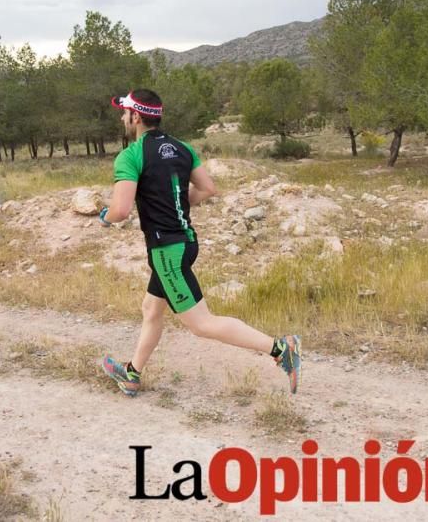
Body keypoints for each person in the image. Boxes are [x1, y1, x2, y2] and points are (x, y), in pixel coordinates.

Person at [99, 89, 301, 397]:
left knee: (202, 324)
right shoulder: (181, 148)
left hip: (166, 251)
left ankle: (279, 348)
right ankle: (131, 374)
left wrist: (104, 216)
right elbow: (208, 189)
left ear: (136, 116)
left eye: (124, 112)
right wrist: (176, 199)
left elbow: (121, 210)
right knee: (151, 309)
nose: (122, 117)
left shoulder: (131, 155)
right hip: (186, 242)